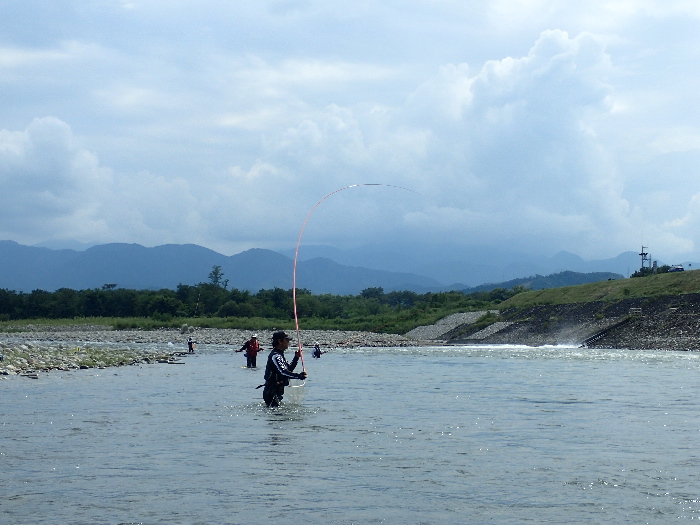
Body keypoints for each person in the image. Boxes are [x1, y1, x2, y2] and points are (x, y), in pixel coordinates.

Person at [261, 331, 307, 407]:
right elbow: (283, 372)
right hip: (272, 390)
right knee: (276, 413)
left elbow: (288, 370)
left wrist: (296, 357)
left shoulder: (280, 355)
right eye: (287, 340)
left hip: (277, 390)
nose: (288, 342)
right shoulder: (276, 356)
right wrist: (299, 376)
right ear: (280, 341)